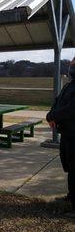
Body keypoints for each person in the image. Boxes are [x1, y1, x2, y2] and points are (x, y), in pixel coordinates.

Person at [46, 59, 75, 219]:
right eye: (72, 65)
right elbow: (58, 101)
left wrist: (53, 115)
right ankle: (71, 196)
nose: (71, 67)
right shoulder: (69, 84)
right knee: (69, 166)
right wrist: (51, 114)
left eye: (74, 65)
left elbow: (71, 109)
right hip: (67, 133)